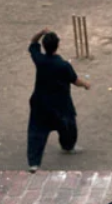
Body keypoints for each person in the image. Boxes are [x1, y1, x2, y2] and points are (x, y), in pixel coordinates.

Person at [25, 27, 90, 172]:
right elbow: (75, 80)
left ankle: (34, 163)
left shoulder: (40, 60)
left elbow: (32, 43)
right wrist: (86, 84)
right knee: (68, 126)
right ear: (57, 45)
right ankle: (68, 147)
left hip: (40, 103)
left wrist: (41, 32)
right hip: (61, 104)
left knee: (36, 132)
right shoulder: (63, 65)